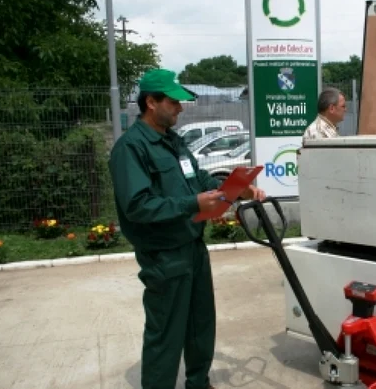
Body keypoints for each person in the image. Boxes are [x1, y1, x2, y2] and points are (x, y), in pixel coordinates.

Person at [108, 68, 266, 389]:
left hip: (193, 247)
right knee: (166, 332)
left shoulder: (173, 142)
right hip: (164, 256)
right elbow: (138, 205)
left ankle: (198, 382)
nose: (180, 108)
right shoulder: (131, 148)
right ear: (151, 102)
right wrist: (193, 204)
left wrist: (236, 189)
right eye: (173, 102)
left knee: (200, 324)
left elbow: (200, 180)